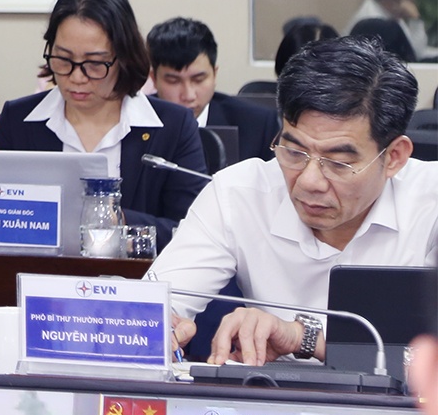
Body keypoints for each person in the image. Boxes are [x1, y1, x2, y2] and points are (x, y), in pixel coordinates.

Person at [148, 36, 438, 366]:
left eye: (338, 162)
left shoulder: (430, 202)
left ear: (395, 157)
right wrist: (160, 329)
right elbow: (147, 310)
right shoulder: (238, 193)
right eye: (294, 152)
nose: (309, 182)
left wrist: (305, 339)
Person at [0, 0, 208, 250]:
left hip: (141, 274)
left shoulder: (173, 126)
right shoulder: (18, 120)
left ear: (124, 57)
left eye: (94, 64)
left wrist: (116, 222)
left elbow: (192, 230)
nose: (76, 77)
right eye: (63, 59)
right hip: (35, 270)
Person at [147, 17, 279, 162]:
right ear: (154, 79)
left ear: (214, 74)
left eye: (198, 80)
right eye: (173, 81)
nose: (189, 95)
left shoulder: (258, 124)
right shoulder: (137, 121)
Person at [346, 0, 435, 60]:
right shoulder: (373, 22)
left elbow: (416, 51)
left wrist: (415, 21)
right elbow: (415, 55)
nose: (412, 2)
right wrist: (415, 19)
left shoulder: (390, 14)